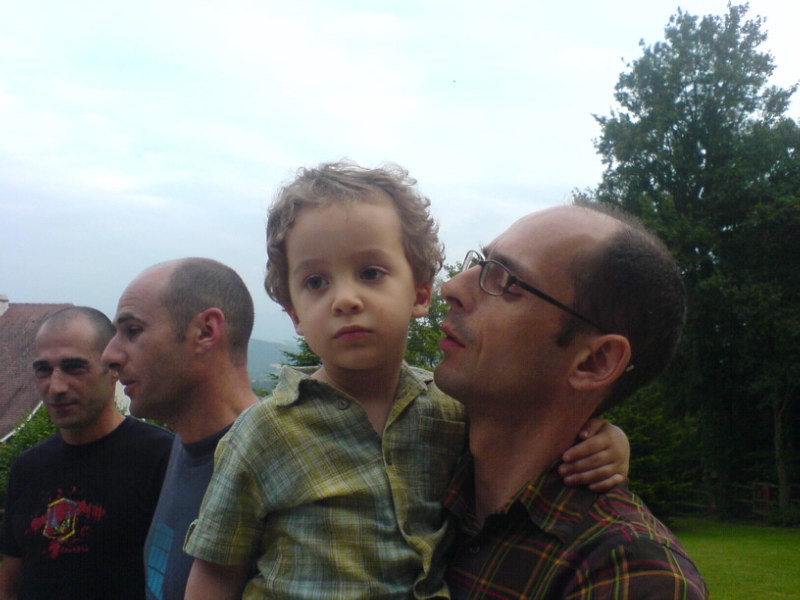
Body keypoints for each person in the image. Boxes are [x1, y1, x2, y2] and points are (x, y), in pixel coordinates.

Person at [183, 162, 630, 600]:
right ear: (295, 314)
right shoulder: (264, 432)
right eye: (316, 282)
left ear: (419, 293)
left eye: (370, 273)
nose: (345, 299)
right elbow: (216, 570)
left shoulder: (452, 414)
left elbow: (526, 441)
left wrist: (608, 440)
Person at [436, 203, 708, 599]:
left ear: (594, 362)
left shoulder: (632, 576)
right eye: (479, 263)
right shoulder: (415, 473)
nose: (451, 287)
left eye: (506, 281)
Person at [101, 258, 260, 600]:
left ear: (205, 332)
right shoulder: (183, 445)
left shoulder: (277, 467)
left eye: (133, 331)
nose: (109, 355)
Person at [0, 307, 173, 600]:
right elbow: (11, 580)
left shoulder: (162, 459)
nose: (55, 387)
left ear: (114, 370)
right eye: (43, 370)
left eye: (74, 367)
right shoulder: (27, 468)